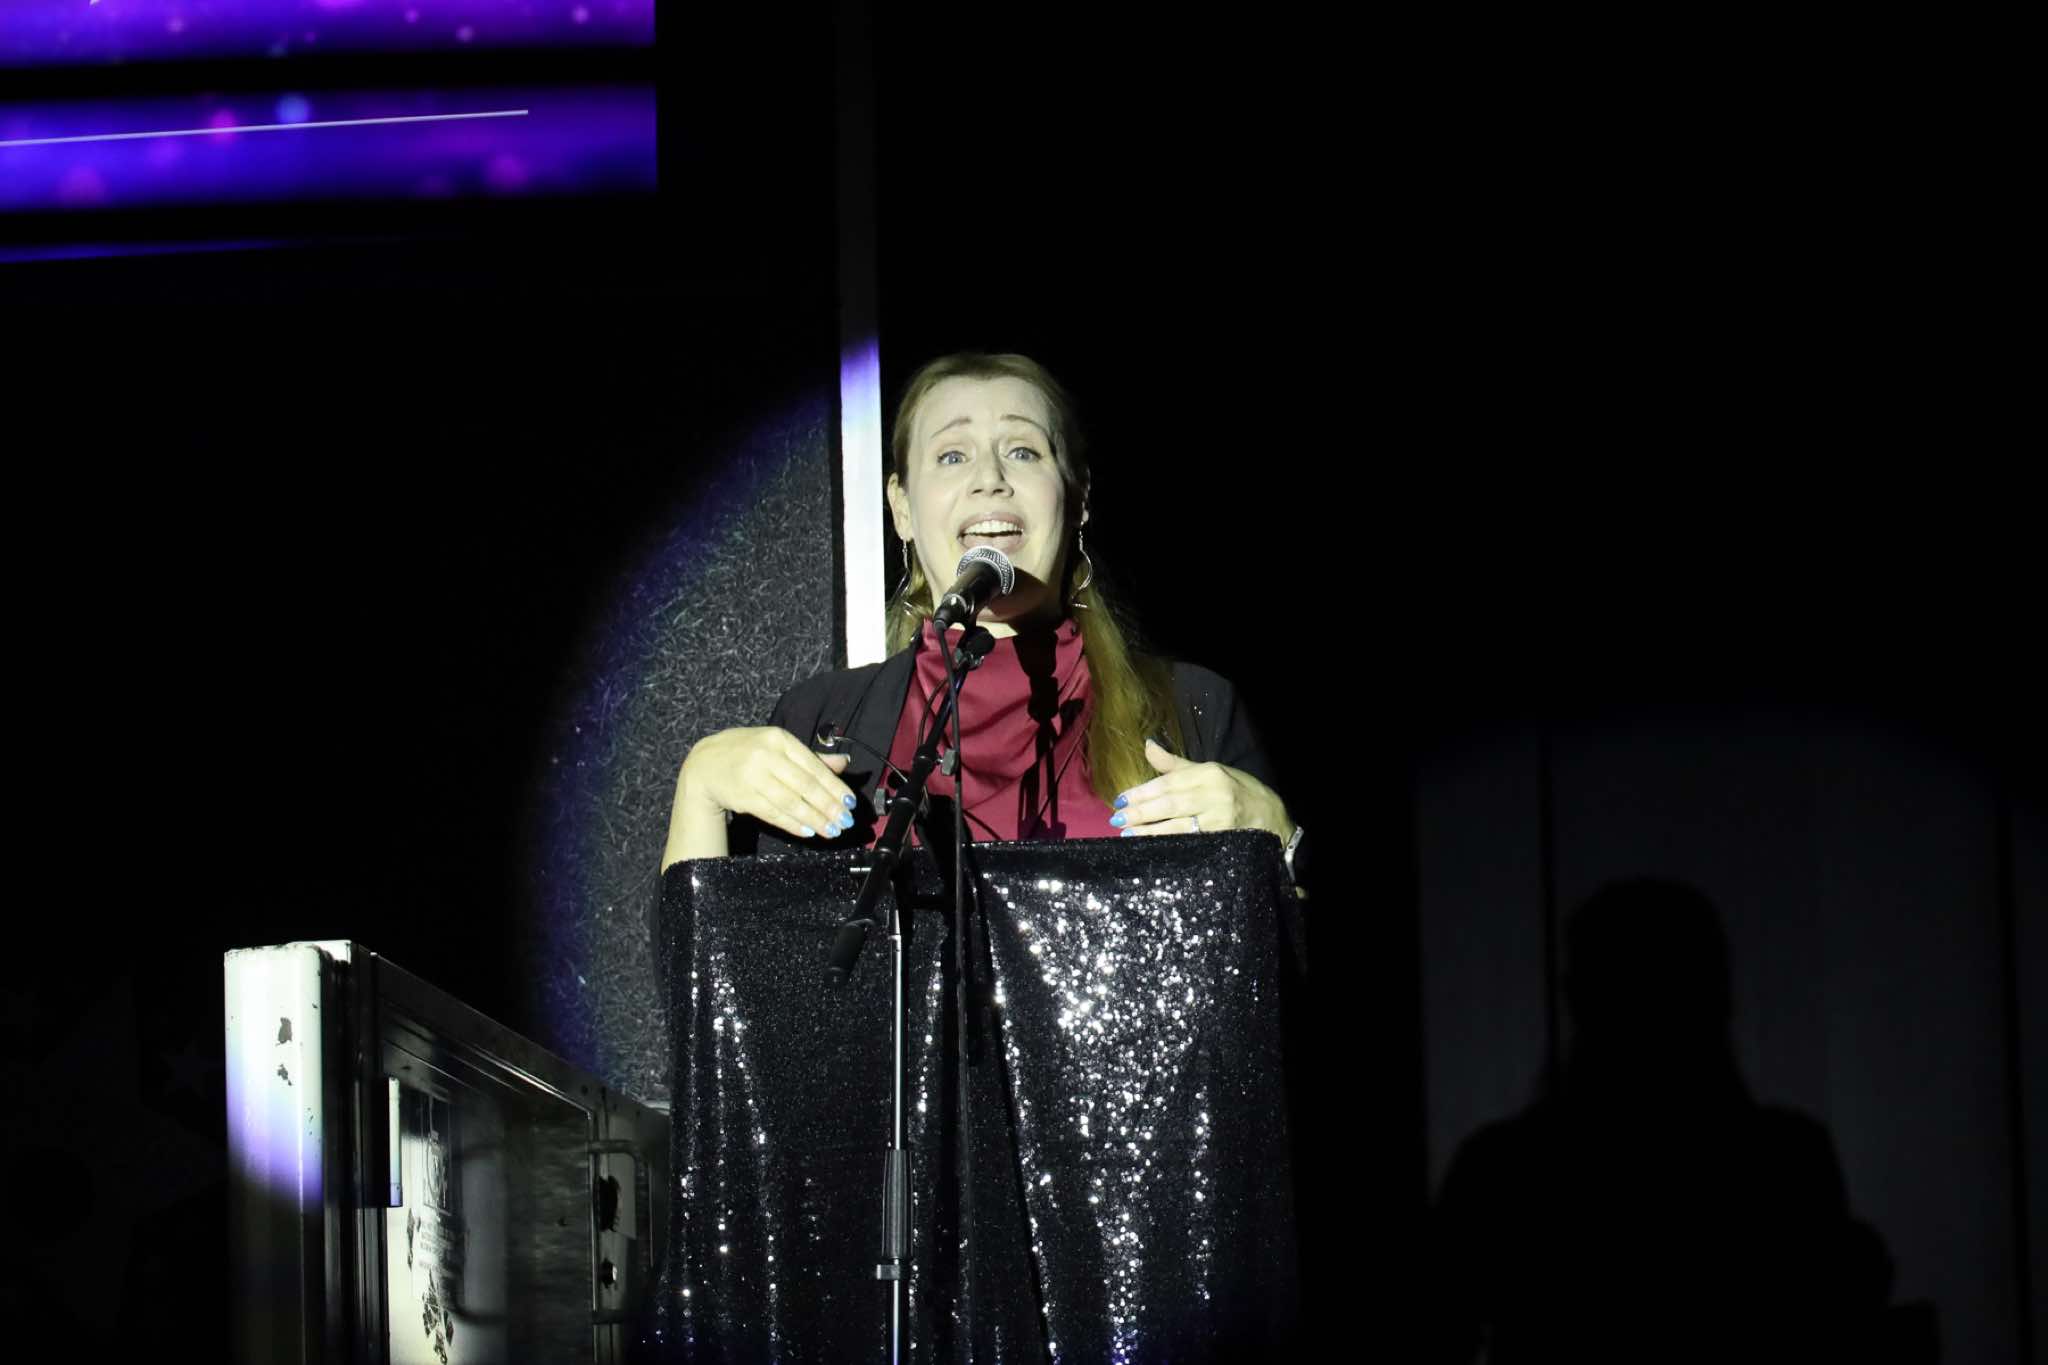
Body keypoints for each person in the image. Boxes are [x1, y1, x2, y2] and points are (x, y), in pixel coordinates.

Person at [661, 351, 1305, 886]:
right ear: (902, 509)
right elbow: (722, 980)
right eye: (952, 456)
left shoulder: (1191, 709)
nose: (989, 479)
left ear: (1077, 496)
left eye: (1022, 451)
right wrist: (702, 789)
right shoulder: (819, 723)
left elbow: (1291, 974)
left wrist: (1282, 843)